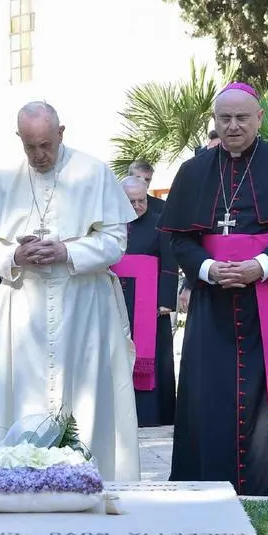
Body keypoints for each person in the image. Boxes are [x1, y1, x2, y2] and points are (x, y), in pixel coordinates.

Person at [159, 82, 268, 495]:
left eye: (241, 118)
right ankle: (205, 483)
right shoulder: (194, 171)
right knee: (207, 393)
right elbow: (179, 240)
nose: (233, 126)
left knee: (267, 393)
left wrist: (260, 266)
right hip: (212, 300)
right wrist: (210, 269)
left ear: (259, 118)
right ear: (214, 120)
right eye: (224, 118)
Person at [0, 101, 140, 481]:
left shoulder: (93, 172)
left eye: (46, 144)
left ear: (62, 133)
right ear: (19, 140)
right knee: (23, 394)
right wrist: (15, 254)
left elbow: (115, 242)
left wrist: (67, 251)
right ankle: (16, 480)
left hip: (83, 305)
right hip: (22, 305)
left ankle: (91, 478)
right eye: (30, 146)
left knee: (84, 397)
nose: (39, 155)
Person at [117, 176, 178, 427]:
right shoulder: (110, 225)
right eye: (131, 202)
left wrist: (165, 301)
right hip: (118, 300)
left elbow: (170, 263)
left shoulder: (159, 223)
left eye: (141, 200)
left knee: (154, 357)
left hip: (150, 305)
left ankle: (152, 415)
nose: (138, 206)